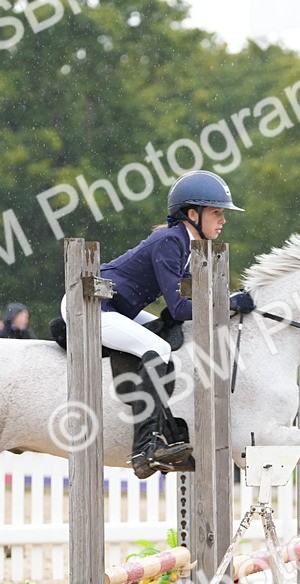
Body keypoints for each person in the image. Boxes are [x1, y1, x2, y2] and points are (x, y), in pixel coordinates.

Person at [81, 169, 248, 479]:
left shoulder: (186, 247)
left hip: (119, 310)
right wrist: (228, 305)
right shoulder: (170, 241)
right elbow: (182, 307)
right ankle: (145, 446)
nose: (223, 220)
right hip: (91, 307)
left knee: (169, 339)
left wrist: (230, 300)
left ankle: (166, 431)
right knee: (156, 346)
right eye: (216, 213)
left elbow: (186, 309)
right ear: (191, 213)